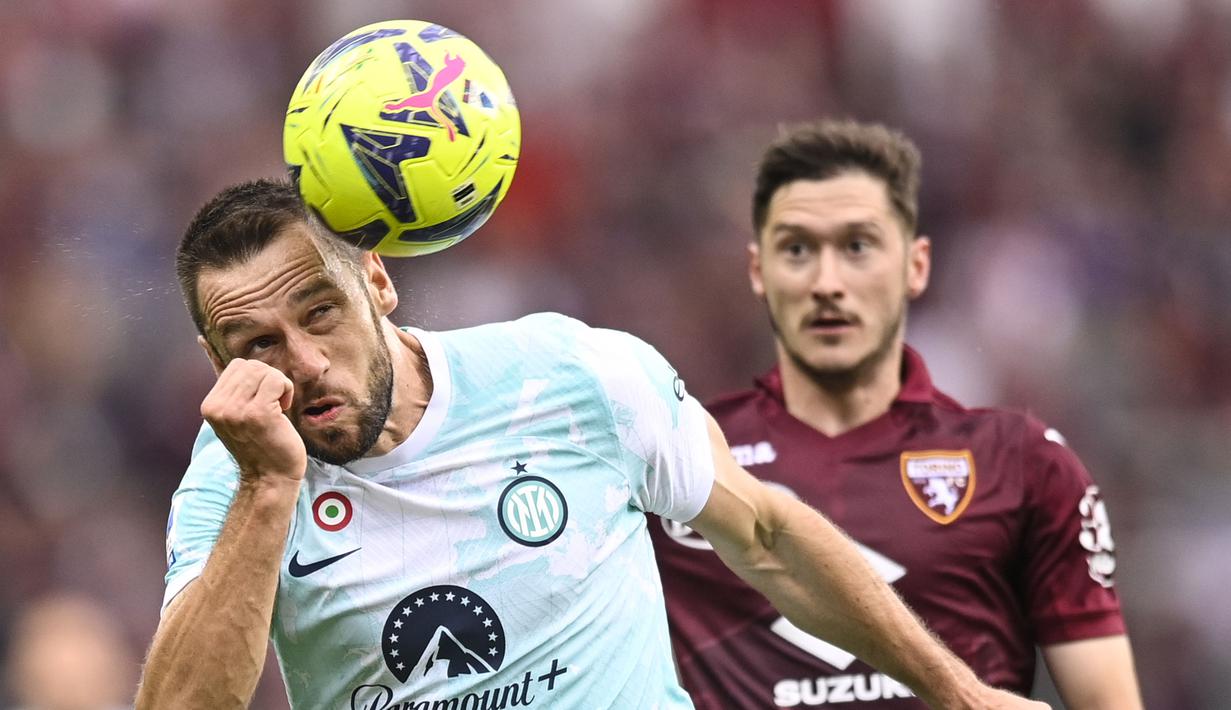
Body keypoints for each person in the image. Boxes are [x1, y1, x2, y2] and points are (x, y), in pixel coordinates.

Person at [134, 178, 1045, 709]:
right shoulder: (237, 485)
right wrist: (265, 492)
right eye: (257, 345)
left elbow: (765, 537)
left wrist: (958, 694)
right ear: (215, 361)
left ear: (378, 282)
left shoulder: (569, 376)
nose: (303, 362)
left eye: (319, 312)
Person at [649, 120, 1143, 709]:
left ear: (917, 264)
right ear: (759, 270)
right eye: (797, 249)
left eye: (858, 246)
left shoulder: (1024, 463)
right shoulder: (678, 456)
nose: (827, 282)